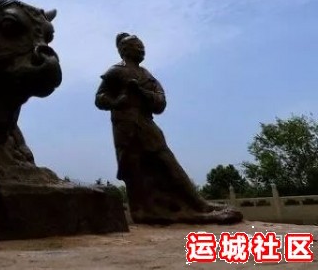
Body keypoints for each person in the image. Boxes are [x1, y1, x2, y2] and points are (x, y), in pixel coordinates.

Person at [95, 33, 242, 224]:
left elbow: (161, 103)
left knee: (167, 161)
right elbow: (99, 98)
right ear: (124, 50)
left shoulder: (147, 76)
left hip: (146, 124)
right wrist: (117, 101)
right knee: (133, 169)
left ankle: (198, 204)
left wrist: (142, 92)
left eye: (142, 46)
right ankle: (142, 211)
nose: (142, 49)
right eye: (137, 46)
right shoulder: (115, 72)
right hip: (125, 126)